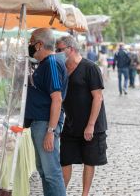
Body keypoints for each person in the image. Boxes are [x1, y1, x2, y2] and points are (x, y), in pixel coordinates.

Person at [58, 36, 108, 196]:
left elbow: (98, 97)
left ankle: (84, 194)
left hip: (91, 124)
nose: (57, 53)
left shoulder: (90, 68)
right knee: (65, 159)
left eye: (60, 50)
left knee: (89, 160)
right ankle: (60, 192)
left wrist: (91, 124)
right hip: (71, 123)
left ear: (70, 49)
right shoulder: (62, 69)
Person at [24, 28, 68, 196]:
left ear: (40, 44)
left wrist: (51, 130)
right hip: (39, 123)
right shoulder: (45, 64)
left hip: (45, 124)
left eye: (31, 42)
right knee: (44, 171)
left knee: (52, 173)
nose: (29, 45)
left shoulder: (51, 63)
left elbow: (57, 99)